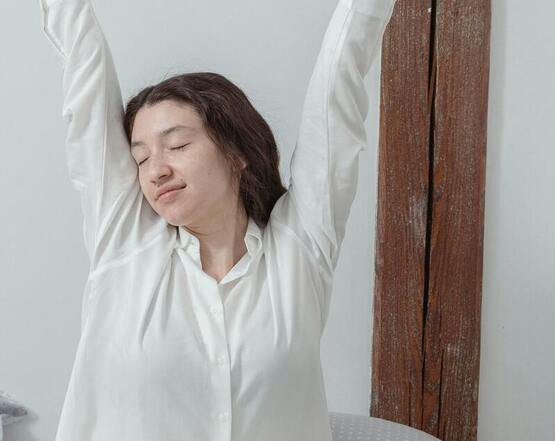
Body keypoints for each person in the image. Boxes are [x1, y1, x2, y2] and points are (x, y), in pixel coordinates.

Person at [38, 0, 396, 439]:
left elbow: (338, 86)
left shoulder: (299, 252)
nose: (156, 170)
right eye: (141, 158)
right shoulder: (126, 245)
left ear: (236, 152)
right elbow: (85, 66)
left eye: (177, 145)